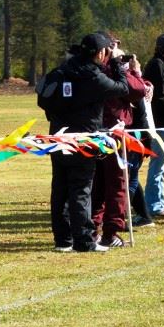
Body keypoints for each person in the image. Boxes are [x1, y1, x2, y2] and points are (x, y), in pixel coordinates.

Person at [47, 32, 129, 252]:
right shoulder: (93, 76)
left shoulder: (63, 69)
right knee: (81, 189)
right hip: (83, 139)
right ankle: (84, 240)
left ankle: (63, 240)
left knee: (60, 188)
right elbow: (123, 88)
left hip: (58, 137)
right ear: (101, 53)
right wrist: (116, 64)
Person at [93, 41, 149, 246]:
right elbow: (138, 89)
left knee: (97, 185)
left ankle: (93, 229)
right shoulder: (112, 71)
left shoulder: (94, 70)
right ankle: (111, 233)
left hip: (95, 133)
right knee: (117, 184)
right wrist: (131, 70)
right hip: (113, 135)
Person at [141, 32, 164, 217]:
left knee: (161, 164)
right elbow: (161, 96)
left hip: (160, 121)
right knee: (158, 164)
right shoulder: (158, 66)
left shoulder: (158, 64)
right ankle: (153, 204)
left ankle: (158, 202)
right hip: (159, 122)